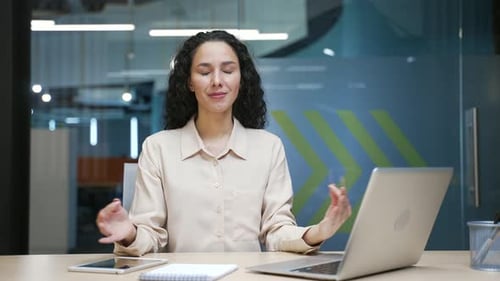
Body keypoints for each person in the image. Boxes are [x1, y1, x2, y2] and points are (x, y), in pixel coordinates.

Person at [96, 30, 351, 256]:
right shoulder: (158, 148)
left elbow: (276, 231)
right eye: (204, 72)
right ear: (189, 82)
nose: (217, 81)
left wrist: (319, 231)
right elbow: (150, 235)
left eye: (228, 70)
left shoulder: (268, 147)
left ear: (241, 79)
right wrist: (129, 232)